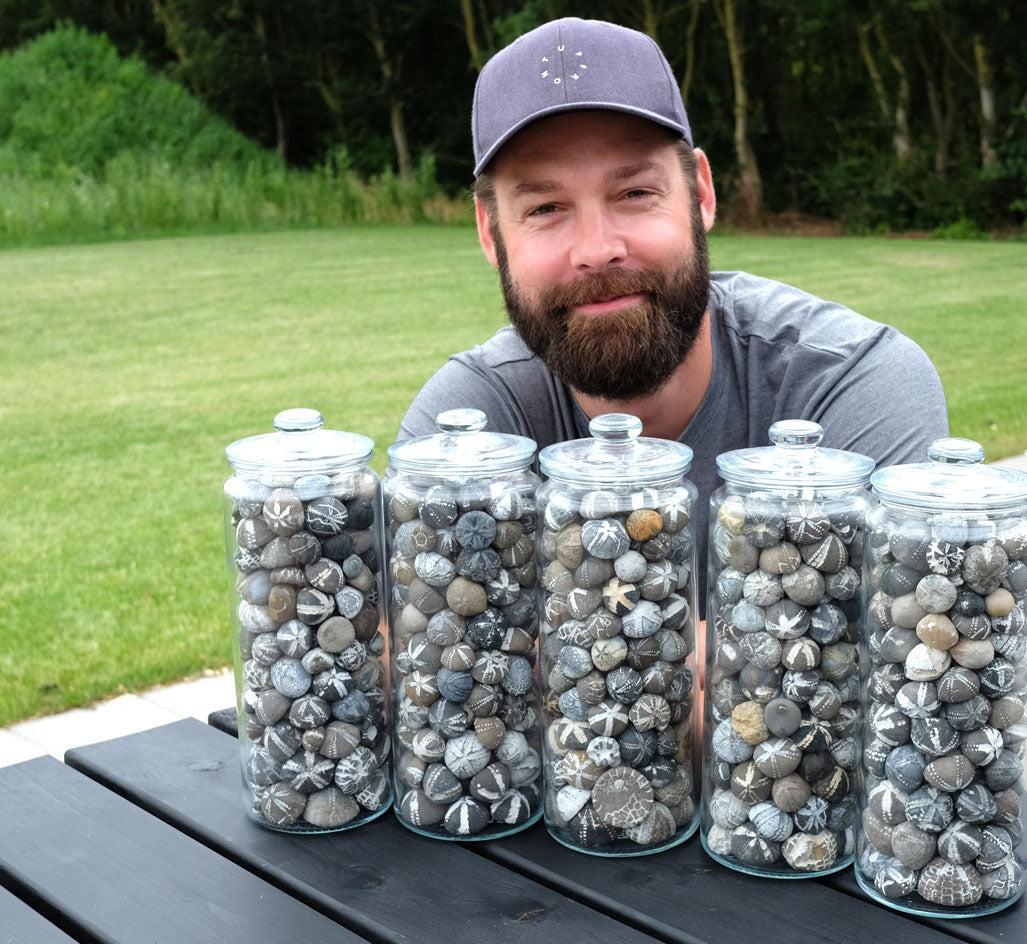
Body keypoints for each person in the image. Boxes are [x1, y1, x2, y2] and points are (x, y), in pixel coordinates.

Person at [398, 17, 949, 604]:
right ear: (491, 234)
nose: (596, 249)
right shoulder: (468, 427)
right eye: (545, 207)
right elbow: (406, 658)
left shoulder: (850, 383)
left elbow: (893, 665)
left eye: (635, 193)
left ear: (701, 194)